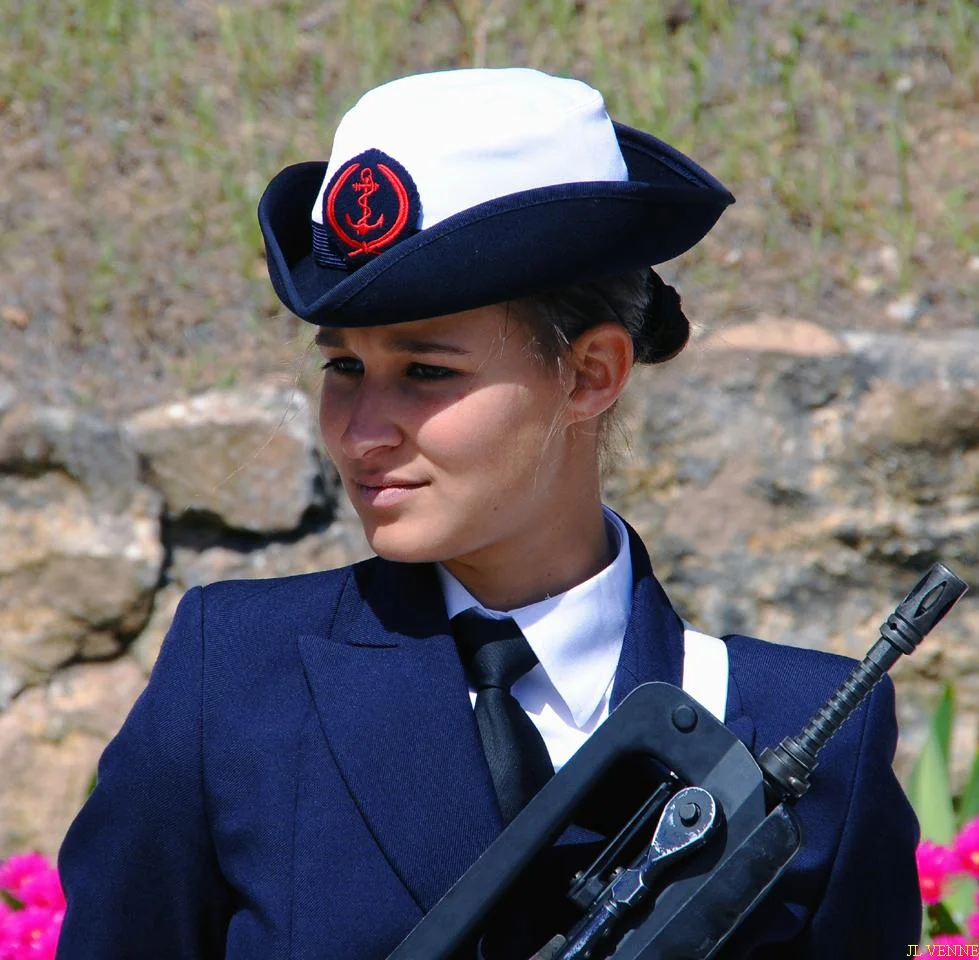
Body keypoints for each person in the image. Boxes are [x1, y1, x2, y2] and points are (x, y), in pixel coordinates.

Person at [56, 68, 920, 959]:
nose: (359, 432)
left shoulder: (800, 726)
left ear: (590, 374)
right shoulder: (236, 678)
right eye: (343, 367)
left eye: (426, 372)